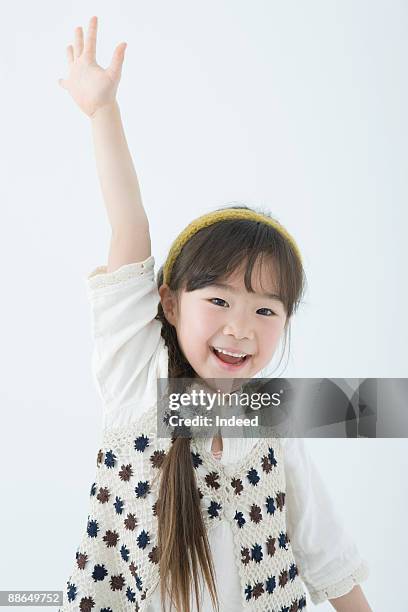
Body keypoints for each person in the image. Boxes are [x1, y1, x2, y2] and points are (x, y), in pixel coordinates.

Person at [57, 16, 372, 612]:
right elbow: (130, 227)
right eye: (219, 300)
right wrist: (103, 113)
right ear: (170, 303)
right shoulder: (136, 381)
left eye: (265, 309)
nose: (240, 327)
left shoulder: (273, 416)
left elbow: (324, 553)